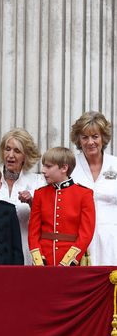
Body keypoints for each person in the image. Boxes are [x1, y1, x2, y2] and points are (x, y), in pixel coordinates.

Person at [29, 147, 95, 267]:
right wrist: (38, 259)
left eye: (48, 166)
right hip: (44, 260)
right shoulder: (40, 194)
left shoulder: (84, 194)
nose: (43, 170)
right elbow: (33, 232)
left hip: (71, 260)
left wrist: (69, 261)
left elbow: (86, 233)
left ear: (64, 168)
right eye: (43, 166)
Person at [69, 111, 117, 265]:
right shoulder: (69, 166)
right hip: (78, 240)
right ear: (78, 140)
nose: (90, 142)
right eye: (85, 137)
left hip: (111, 238)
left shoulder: (115, 164)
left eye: (95, 136)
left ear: (103, 138)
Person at [0, 128, 45, 264]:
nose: (10, 155)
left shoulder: (37, 182)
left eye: (17, 151)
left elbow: (49, 218)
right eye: (7, 149)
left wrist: (33, 203)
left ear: (26, 156)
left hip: (26, 249)